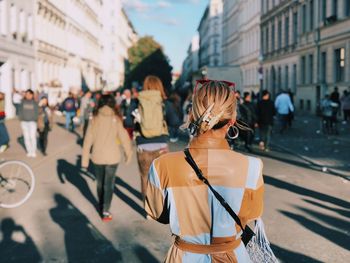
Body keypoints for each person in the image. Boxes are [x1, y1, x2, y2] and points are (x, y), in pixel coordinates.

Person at [145, 80, 264, 262]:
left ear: (192, 115)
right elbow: (252, 213)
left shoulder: (162, 165)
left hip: (185, 256)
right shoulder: (253, 167)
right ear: (232, 120)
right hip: (233, 256)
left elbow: (157, 213)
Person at [82, 94, 132, 221]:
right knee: (109, 184)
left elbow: (88, 140)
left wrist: (85, 161)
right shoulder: (116, 118)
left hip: (97, 157)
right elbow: (124, 137)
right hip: (113, 157)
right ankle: (106, 210)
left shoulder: (94, 118)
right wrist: (128, 154)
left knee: (100, 183)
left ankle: (101, 205)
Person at [134, 75, 169, 202]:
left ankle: (148, 210)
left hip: (143, 146)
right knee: (162, 178)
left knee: (144, 178)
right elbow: (174, 120)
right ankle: (160, 206)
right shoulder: (163, 102)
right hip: (161, 146)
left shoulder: (137, 101)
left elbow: (127, 121)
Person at [19, 89, 39, 157]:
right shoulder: (23, 102)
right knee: (26, 137)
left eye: (29, 94)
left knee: (32, 137)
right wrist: (21, 118)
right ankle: (29, 151)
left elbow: (37, 112)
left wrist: (35, 119)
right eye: (26, 94)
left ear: (32, 95)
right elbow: (20, 111)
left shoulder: (35, 103)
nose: (27, 95)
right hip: (24, 122)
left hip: (32, 122)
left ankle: (33, 151)